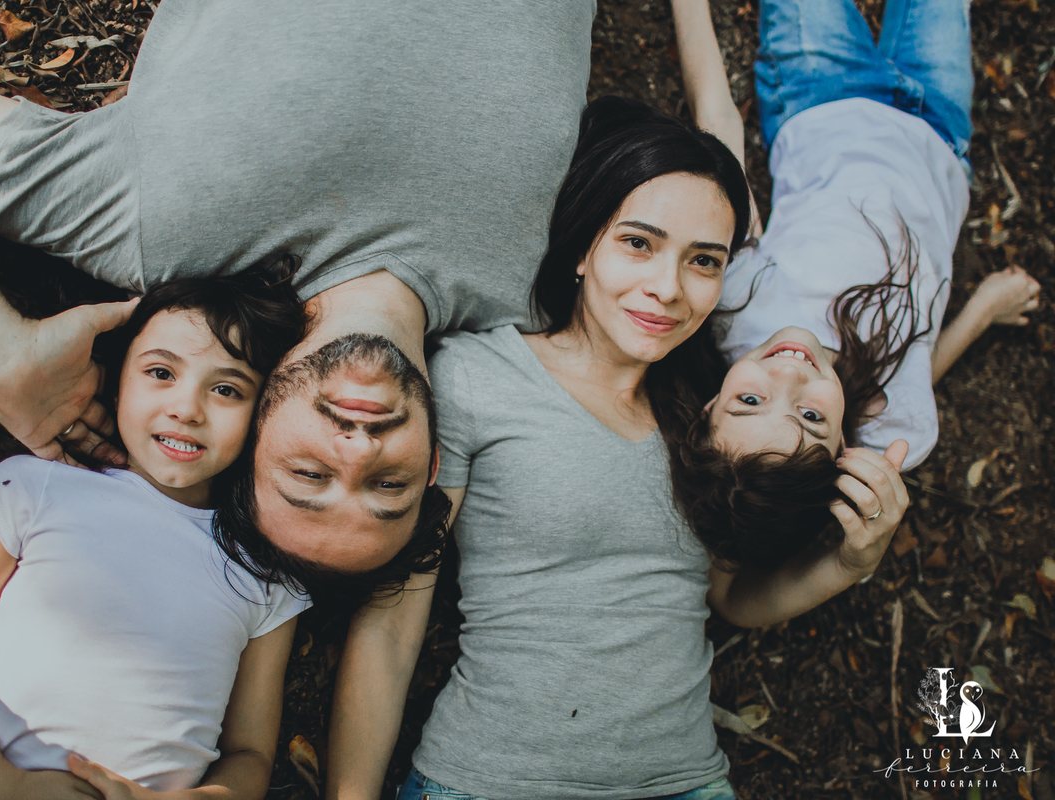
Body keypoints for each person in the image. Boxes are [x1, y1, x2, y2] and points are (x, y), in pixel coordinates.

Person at [324, 2, 912, 797]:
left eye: (704, 261)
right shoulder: (474, 376)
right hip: (491, 781)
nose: (667, 288)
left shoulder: (720, 411)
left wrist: (851, 562)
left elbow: (731, 598)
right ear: (583, 250)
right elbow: (396, 619)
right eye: (639, 243)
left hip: (684, 784)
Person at [0, 0, 597, 575]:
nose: (354, 452)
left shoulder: (154, 226)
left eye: (309, 474)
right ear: (434, 462)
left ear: (251, 438)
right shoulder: (553, 295)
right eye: (388, 488)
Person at [0, 273, 310, 800]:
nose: (187, 408)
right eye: (160, 372)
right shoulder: (34, 489)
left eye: (226, 389)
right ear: (116, 383)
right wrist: (1, 785)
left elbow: (250, 755)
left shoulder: (263, 574)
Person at [669, 0, 1043, 571]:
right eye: (812, 417)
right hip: (941, 132)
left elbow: (719, 134)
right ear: (847, 448)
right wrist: (981, 314)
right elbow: (918, 374)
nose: (790, 373)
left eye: (749, 401)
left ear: (711, 404)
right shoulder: (897, 425)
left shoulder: (732, 307)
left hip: (821, 91)